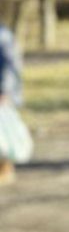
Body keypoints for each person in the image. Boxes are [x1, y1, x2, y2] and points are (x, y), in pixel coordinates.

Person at [0, 23, 29, 183]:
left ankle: (4, 170)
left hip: (3, 97)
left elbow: (10, 66)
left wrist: (5, 91)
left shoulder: (3, 35)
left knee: (4, 137)